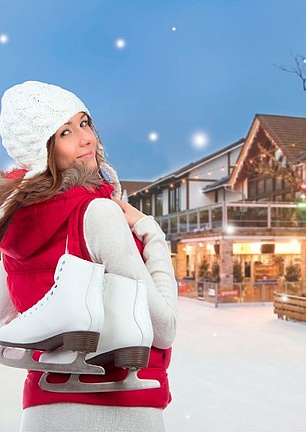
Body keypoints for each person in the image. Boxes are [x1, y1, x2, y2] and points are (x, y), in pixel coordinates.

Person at [0, 81, 178, 431]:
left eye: (84, 123)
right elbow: (163, 328)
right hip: (124, 406)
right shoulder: (98, 212)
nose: (86, 139)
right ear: (41, 149)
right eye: (65, 131)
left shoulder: (12, 224)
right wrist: (151, 233)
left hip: (42, 409)